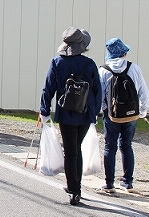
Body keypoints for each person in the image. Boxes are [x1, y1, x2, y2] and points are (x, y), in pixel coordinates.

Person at [39, 27, 102, 206]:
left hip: (66, 114)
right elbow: (98, 91)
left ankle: (73, 189)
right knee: (77, 149)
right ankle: (77, 187)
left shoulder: (57, 62)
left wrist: (44, 110)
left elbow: (48, 88)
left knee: (70, 151)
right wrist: (95, 112)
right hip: (85, 114)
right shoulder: (89, 64)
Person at [98, 38, 149, 193]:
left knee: (110, 147)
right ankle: (127, 182)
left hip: (111, 115)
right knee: (127, 146)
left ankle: (109, 184)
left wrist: (99, 112)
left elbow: (99, 95)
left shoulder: (103, 70)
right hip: (131, 115)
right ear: (124, 53)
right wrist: (142, 111)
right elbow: (144, 93)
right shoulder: (134, 68)